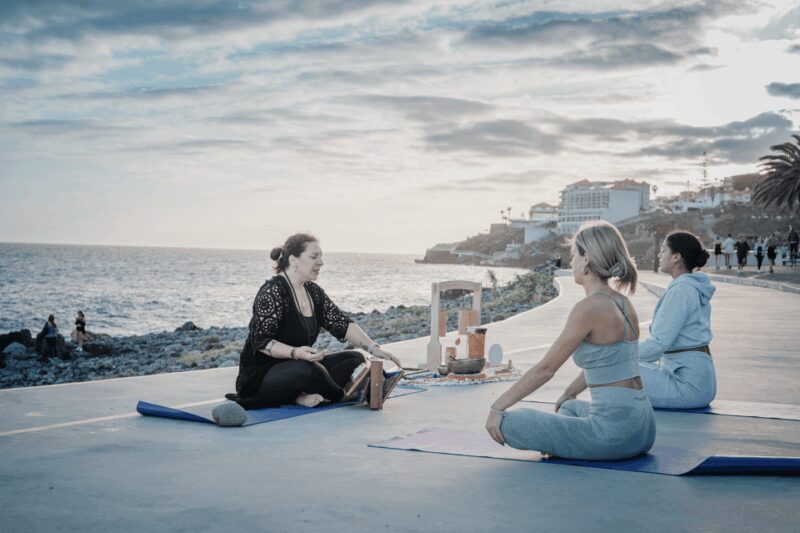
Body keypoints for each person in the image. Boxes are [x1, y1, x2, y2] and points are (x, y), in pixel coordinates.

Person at [485, 221, 655, 460]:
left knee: (508, 424)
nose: (571, 261)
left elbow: (545, 369)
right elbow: (610, 362)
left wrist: (497, 408)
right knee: (568, 406)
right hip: (644, 428)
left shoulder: (589, 307)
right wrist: (570, 391)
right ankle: (567, 439)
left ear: (586, 260)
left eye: (574, 255)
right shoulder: (623, 302)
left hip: (615, 434)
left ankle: (566, 442)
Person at [233, 233, 402, 409]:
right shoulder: (272, 291)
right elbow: (262, 342)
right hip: (262, 377)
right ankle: (341, 395)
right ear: (293, 260)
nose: (321, 262)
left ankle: (308, 395)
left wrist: (373, 347)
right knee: (310, 370)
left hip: (300, 366)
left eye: (321, 257)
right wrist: (296, 353)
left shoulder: (313, 292)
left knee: (355, 359)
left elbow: (342, 323)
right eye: (314, 257)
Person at [638, 231, 716, 409]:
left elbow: (657, 346)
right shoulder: (689, 287)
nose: (659, 255)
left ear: (676, 257)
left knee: (611, 367)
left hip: (686, 386)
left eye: (663, 250)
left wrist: (617, 353)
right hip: (696, 382)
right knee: (617, 364)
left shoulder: (681, 291)